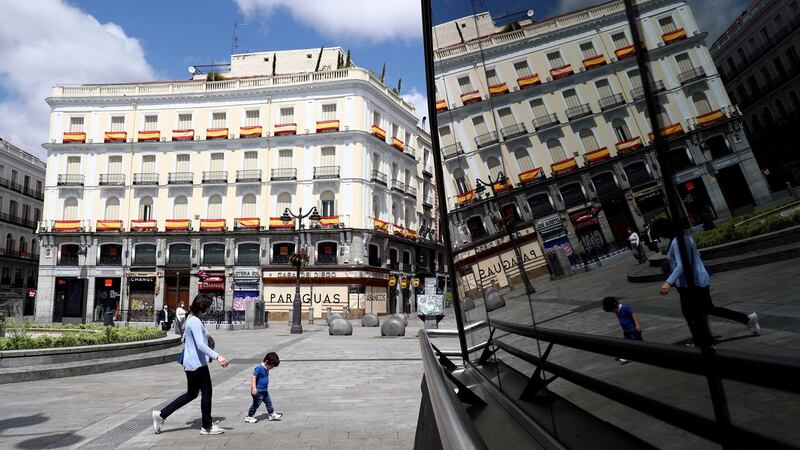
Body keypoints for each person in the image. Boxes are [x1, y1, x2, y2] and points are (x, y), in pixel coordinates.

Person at [654, 219, 760, 347]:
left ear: (664, 230)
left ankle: (705, 342)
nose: (659, 236)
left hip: (693, 284)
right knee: (704, 310)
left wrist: (668, 283)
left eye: (659, 233)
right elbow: (695, 255)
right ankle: (746, 320)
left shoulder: (679, 241)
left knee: (693, 313)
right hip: (693, 282)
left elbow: (682, 265)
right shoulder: (682, 239)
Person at [152, 294, 229, 435]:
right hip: (197, 363)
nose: (210, 308)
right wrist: (218, 356)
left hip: (191, 363)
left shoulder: (190, 319)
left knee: (191, 394)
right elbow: (200, 344)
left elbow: (185, 338)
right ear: (203, 305)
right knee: (207, 392)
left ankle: (161, 414)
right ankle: (207, 426)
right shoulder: (194, 321)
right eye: (209, 305)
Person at [244, 352, 283, 423]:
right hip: (258, 391)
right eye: (271, 366)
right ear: (266, 361)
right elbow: (254, 377)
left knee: (269, 403)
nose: (272, 368)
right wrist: (254, 388)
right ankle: (249, 416)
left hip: (264, 391)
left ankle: (271, 414)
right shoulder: (259, 368)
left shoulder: (266, 368)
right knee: (256, 404)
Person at [602, 296, 642, 364]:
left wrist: (637, 325)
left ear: (615, 305)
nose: (612, 312)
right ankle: (630, 355)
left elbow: (633, 314)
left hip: (632, 329)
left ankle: (635, 355)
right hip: (626, 330)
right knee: (628, 343)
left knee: (636, 343)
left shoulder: (625, 308)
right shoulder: (617, 310)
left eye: (612, 310)